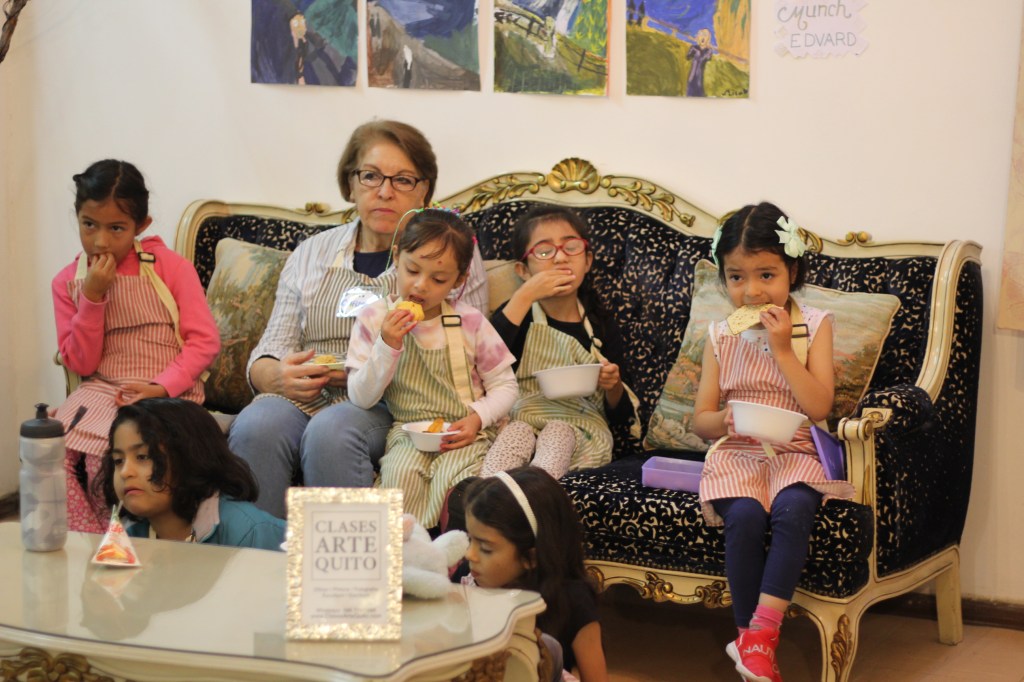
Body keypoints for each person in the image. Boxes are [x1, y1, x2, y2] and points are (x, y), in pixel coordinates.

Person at [228, 120, 489, 519]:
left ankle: (352, 562)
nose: (384, 191)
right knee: (257, 425)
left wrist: (371, 366)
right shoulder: (312, 253)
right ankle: (260, 554)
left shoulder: (448, 257)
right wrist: (277, 376)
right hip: (307, 394)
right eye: (370, 176)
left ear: (425, 191)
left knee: (332, 431)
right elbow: (271, 348)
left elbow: (469, 351)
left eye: (403, 180)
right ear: (350, 184)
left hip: (391, 400)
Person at [693, 202, 855, 682]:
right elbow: (700, 420)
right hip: (738, 452)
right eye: (736, 277)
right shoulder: (719, 336)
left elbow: (819, 406)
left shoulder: (815, 325)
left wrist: (783, 350)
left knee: (794, 509)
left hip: (798, 450)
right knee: (743, 516)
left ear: (792, 273)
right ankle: (751, 642)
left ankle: (760, 635)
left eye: (766, 275)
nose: (752, 291)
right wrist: (724, 419)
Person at [53, 159, 220, 534]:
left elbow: (204, 341)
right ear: (77, 217)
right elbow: (81, 362)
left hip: (164, 388)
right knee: (52, 451)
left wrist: (162, 385)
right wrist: (92, 298)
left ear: (141, 225)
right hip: (101, 387)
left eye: (116, 228)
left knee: (107, 456)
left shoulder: (170, 267)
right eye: (89, 225)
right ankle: (92, 537)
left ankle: (128, 538)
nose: (100, 241)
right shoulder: (66, 282)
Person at [346, 207, 517, 528]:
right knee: (399, 479)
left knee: (459, 489)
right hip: (407, 436)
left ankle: (450, 553)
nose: (421, 285)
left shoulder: (470, 321)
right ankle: (406, 554)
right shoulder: (373, 318)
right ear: (397, 257)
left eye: (438, 279)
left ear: (459, 280)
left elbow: (506, 385)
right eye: (412, 270)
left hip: (464, 436)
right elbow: (360, 397)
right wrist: (387, 344)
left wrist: (478, 418)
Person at [484, 206, 637, 479]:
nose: (560, 257)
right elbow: (484, 364)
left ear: (587, 261)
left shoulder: (600, 323)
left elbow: (622, 418)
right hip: (523, 420)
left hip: (582, 431)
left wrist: (613, 386)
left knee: (558, 432)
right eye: (544, 251)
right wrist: (524, 295)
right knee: (516, 433)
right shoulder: (517, 313)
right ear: (523, 270)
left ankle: (539, 492)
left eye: (571, 247)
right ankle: (490, 493)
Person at [462, 467, 608, 682]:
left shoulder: (573, 601)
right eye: (469, 539)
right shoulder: (471, 581)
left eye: (485, 548)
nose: (469, 554)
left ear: (531, 557)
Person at [93, 398, 286, 550]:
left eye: (143, 457)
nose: (125, 472)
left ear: (191, 457)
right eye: (118, 460)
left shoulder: (250, 533)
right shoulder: (129, 534)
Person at [686, 28, 714, 97]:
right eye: (701, 35)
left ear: (708, 38)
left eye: (705, 36)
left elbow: (706, 58)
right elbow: (688, 57)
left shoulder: (708, 51)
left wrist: (700, 51)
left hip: (700, 79)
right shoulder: (694, 48)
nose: (703, 38)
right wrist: (693, 50)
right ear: (698, 37)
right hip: (691, 77)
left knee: (700, 95)